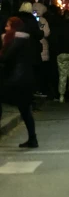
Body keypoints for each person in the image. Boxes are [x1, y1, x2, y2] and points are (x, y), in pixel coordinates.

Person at [0, 17, 39, 148]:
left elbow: (6, 58)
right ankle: (33, 138)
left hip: (15, 80)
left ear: (13, 27)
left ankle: (33, 139)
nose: (5, 28)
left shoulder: (14, 40)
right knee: (25, 110)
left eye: (7, 26)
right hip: (26, 79)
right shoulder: (26, 40)